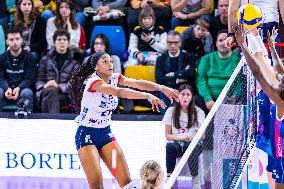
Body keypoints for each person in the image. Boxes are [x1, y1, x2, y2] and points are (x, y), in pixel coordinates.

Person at [68, 51, 179, 189]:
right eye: (105, 61)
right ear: (96, 67)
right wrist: (146, 96)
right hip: (86, 134)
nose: (110, 64)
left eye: (111, 61)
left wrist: (161, 88)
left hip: (105, 133)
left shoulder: (114, 77)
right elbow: (119, 92)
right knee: (96, 186)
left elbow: (137, 83)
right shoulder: (93, 82)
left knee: (128, 185)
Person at [235, 25, 284, 189]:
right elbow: (276, 67)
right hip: (276, 147)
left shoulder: (279, 100)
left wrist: (243, 44)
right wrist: (271, 46)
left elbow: (257, 70)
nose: (278, 77)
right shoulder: (279, 95)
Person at [162, 84, 205, 189]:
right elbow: (167, 135)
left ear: (192, 97)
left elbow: (203, 136)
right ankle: (170, 178)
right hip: (178, 141)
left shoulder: (199, 112)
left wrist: (192, 138)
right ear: (178, 96)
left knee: (189, 147)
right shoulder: (170, 111)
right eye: (182, 94)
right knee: (170, 147)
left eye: (188, 95)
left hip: (194, 142)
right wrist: (182, 137)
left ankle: (195, 179)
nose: (185, 97)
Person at [35, 29, 80, 113]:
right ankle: (54, 121)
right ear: (54, 42)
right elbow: (38, 80)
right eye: (59, 39)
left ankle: (49, 120)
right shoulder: (45, 59)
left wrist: (58, 86)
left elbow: (75, 84)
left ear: (68, 43)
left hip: (64, 95)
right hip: (45, 90)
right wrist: (45, 85)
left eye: (65, 40)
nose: (62, 42)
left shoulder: (74, 63)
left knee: (47, 99)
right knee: (51, 90)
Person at [196, 29, 240, 111]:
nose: (223, 43)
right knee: (196, 100)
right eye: (220, 40)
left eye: (226, 40)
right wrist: (207, 99)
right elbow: (201, 80)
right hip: (210, 98)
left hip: (232, 98)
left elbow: (240, 80)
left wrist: (236, 95)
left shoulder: (238, 59)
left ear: (232, 43)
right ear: (216, 43)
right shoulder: (206, 59)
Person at [0, 27, 36, 112]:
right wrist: (7, 88)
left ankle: (26, 121)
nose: (14, 42)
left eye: (17, 39)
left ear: (22, 40)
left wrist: (19, 88)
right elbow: (1, 78)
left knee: (27, 93)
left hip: (22, 91)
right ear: (7, 42)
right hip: (6, 92)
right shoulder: (2, 58)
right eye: (11, 39)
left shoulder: (30, 57)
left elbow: (29, 79)